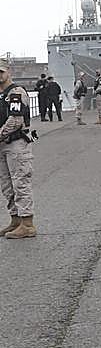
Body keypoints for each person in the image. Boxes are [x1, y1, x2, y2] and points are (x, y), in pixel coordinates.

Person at [0, 60, 36, 239]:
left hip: (16, 144)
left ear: (9, 71)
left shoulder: (16, 92)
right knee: (6, 185)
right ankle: (15, 220)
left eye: (1, 71)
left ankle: (27, 224)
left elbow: (16, 120)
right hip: (2, 145)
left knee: (20, 182)